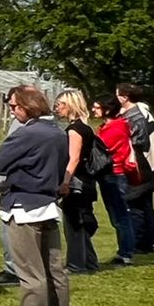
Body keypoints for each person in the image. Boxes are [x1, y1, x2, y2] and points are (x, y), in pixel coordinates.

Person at [0, 85, 75, 306]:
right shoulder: (57, 132)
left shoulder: (26, 134)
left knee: (30, 274)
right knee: (54, 272)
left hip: (23, 206)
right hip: (48, 205)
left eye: (15, 106)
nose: (12, 111)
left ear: (28, 105)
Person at [55, 90, 102, 274]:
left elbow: (73, 158)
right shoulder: (86, 127)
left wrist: (65, 182)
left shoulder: (75, 130)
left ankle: (76, 264)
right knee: (80, 221)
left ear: (70, 105)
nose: (57, 109)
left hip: (77, 181)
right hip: (86, 180)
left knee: (74, 223)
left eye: (60, 104)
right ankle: (89, 261)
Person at [116, 84, 154, 253]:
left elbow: (139, 141)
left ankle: (144, 241)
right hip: (142, 162)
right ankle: (152, 240)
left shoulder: (135, 115)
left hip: (138, 163)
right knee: (145, 204)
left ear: (125, 97)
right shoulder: (139, 112)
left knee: (138, 204)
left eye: (118, 95)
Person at [94, 96, 139, 266]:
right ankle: (125, 251)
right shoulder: (107, 126)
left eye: (97, 107)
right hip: (109, 174)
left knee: (120, 215)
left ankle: (126, 252)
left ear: (106, 109)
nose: (94, 110)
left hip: (115, 173)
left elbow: (101, 148)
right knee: (117, 215)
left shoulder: (116, 128)